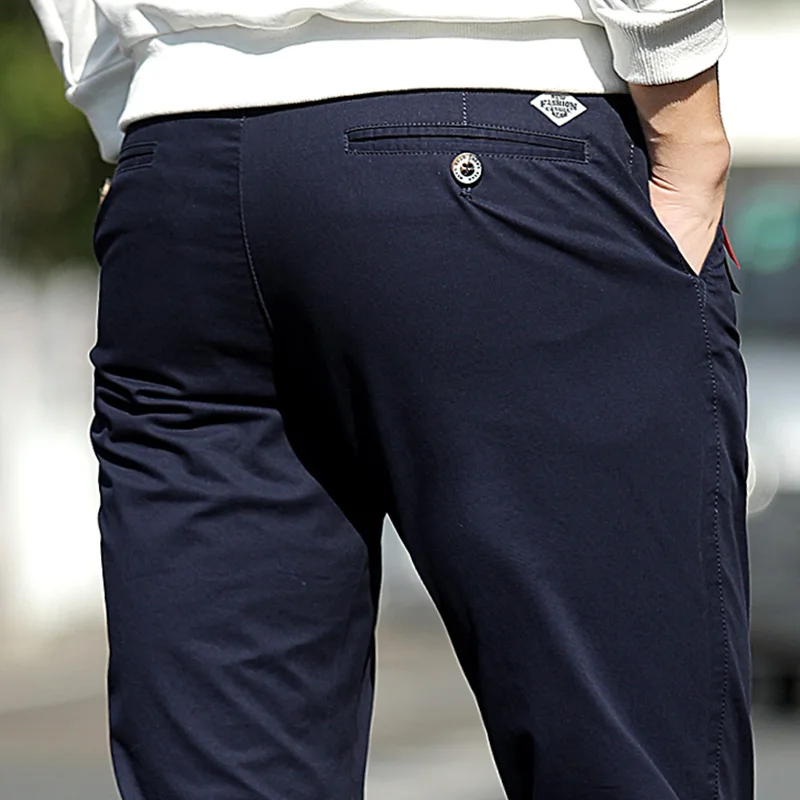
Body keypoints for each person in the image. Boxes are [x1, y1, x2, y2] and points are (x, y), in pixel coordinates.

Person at [29, 1, 752, 798]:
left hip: (179, 174)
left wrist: (134, 105)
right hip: (499, 128)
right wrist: (687, 117)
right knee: (626, 763)